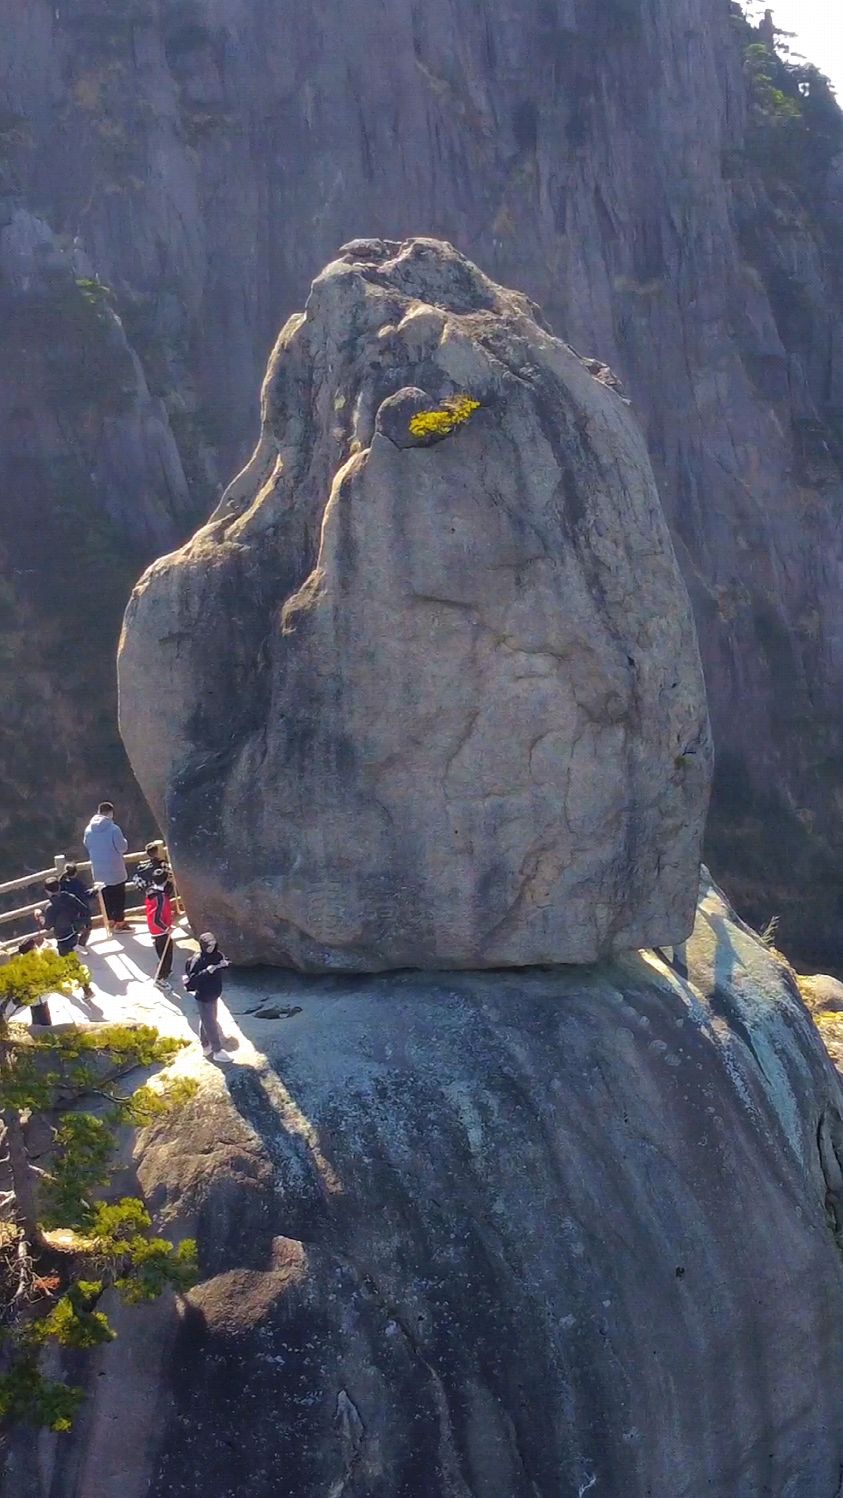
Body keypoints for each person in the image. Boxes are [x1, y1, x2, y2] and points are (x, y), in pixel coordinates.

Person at [183, 932, 230, 1061]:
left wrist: (224, 964)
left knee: (207, 1020)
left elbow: (224, 962)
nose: (211, 948)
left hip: (214, 993)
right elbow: (192, 981)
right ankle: (217, 1051)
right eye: (209, 945)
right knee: (211, 1024)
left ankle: (206, 1046)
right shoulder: (197, 960)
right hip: (203, 996)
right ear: (203, 946)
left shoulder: (217, 955)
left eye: (213, 945)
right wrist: (207, 971)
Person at [83, 802, 130, 932]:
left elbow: (87, 845)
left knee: (105, 898)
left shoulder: (88, 829)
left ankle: (109, 921)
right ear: (111, 813)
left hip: (99, 871)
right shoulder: (114, 829)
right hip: (115, 870)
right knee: (119, 897)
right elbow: (122, 847)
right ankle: (120, 924)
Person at [37, 877, 89, 958]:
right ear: (59, 887)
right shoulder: (70, 897)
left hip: (62, 938)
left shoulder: (50, 908)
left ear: (47, 891)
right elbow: (85, 910)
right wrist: (80, 924)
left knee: (68, 962)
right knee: (73, 957)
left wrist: (39, 916)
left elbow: (47, 926)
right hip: (75, 932)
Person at [145, 871, 174, 988]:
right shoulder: (160, 897)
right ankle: (160, 977)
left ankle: (165, 971)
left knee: (164, 951)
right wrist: (166, 928)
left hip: (155, 930)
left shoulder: (151, 891)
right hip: (160, 930)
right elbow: (156, 919)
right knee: (166, 954)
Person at [60, 863, 94, 948]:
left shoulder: (62, 883)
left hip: (69, 911)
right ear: (76, 873)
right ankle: (81, 944)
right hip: (81, 909)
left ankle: (73, 944)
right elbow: (85, 895)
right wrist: (95, 891)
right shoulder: (78, 883)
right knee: (88, 926)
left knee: (74, 928)